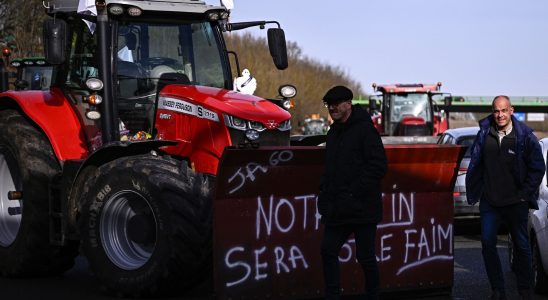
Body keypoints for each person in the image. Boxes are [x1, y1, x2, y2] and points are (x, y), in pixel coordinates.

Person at [466, 95, 546, 300]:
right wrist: (477, 190)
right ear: (492, 112)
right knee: (487, 243)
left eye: (503, 110)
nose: (499, 115)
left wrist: (524, 194)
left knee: (522, 247)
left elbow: (538, 168)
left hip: (515, 203)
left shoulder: (525, 137)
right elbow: (476, 163)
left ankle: (525, 289)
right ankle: (498, 289)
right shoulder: (484, 134)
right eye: (496, 111)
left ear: (511, 110)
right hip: (490, 202)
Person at [317, 85, 387, 300]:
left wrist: (353, 193)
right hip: (338, 207)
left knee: (365, 257)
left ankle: (373, 295)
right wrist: (325, 195)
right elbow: (331, 168)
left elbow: (378, 166)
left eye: (336, 104)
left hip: (362, 207)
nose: (332, 108)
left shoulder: (365, 130)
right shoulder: (334, 132)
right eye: (329, 105)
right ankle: (333, 295)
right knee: (328, 251)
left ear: (349, 104)